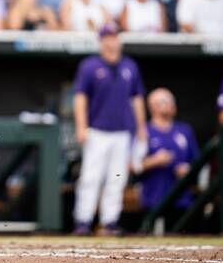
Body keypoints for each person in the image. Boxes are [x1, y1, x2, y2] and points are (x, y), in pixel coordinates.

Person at [72, 23, 147, 236]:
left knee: (117, 178)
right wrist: (81, 126)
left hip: (122, 131)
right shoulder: (89, 66)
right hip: (97, 130)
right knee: (90, 177)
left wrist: (141, 126)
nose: (111, 40)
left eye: (114, 36)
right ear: (101, 40)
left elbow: (137, 98)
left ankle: (109, 221)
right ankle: (83, 220)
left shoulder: (130, 66)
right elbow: (80, 98)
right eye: (107, 37)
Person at [133, 88, 198, 230]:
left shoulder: (184, 130)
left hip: (181, 200)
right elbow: (132, 166)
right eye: (162, 102)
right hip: (153, 198)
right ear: (151, 106)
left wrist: (188, 169)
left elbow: (197, 162)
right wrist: (155, 161)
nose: (167, 105)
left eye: (169, 102)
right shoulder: (144, 131)